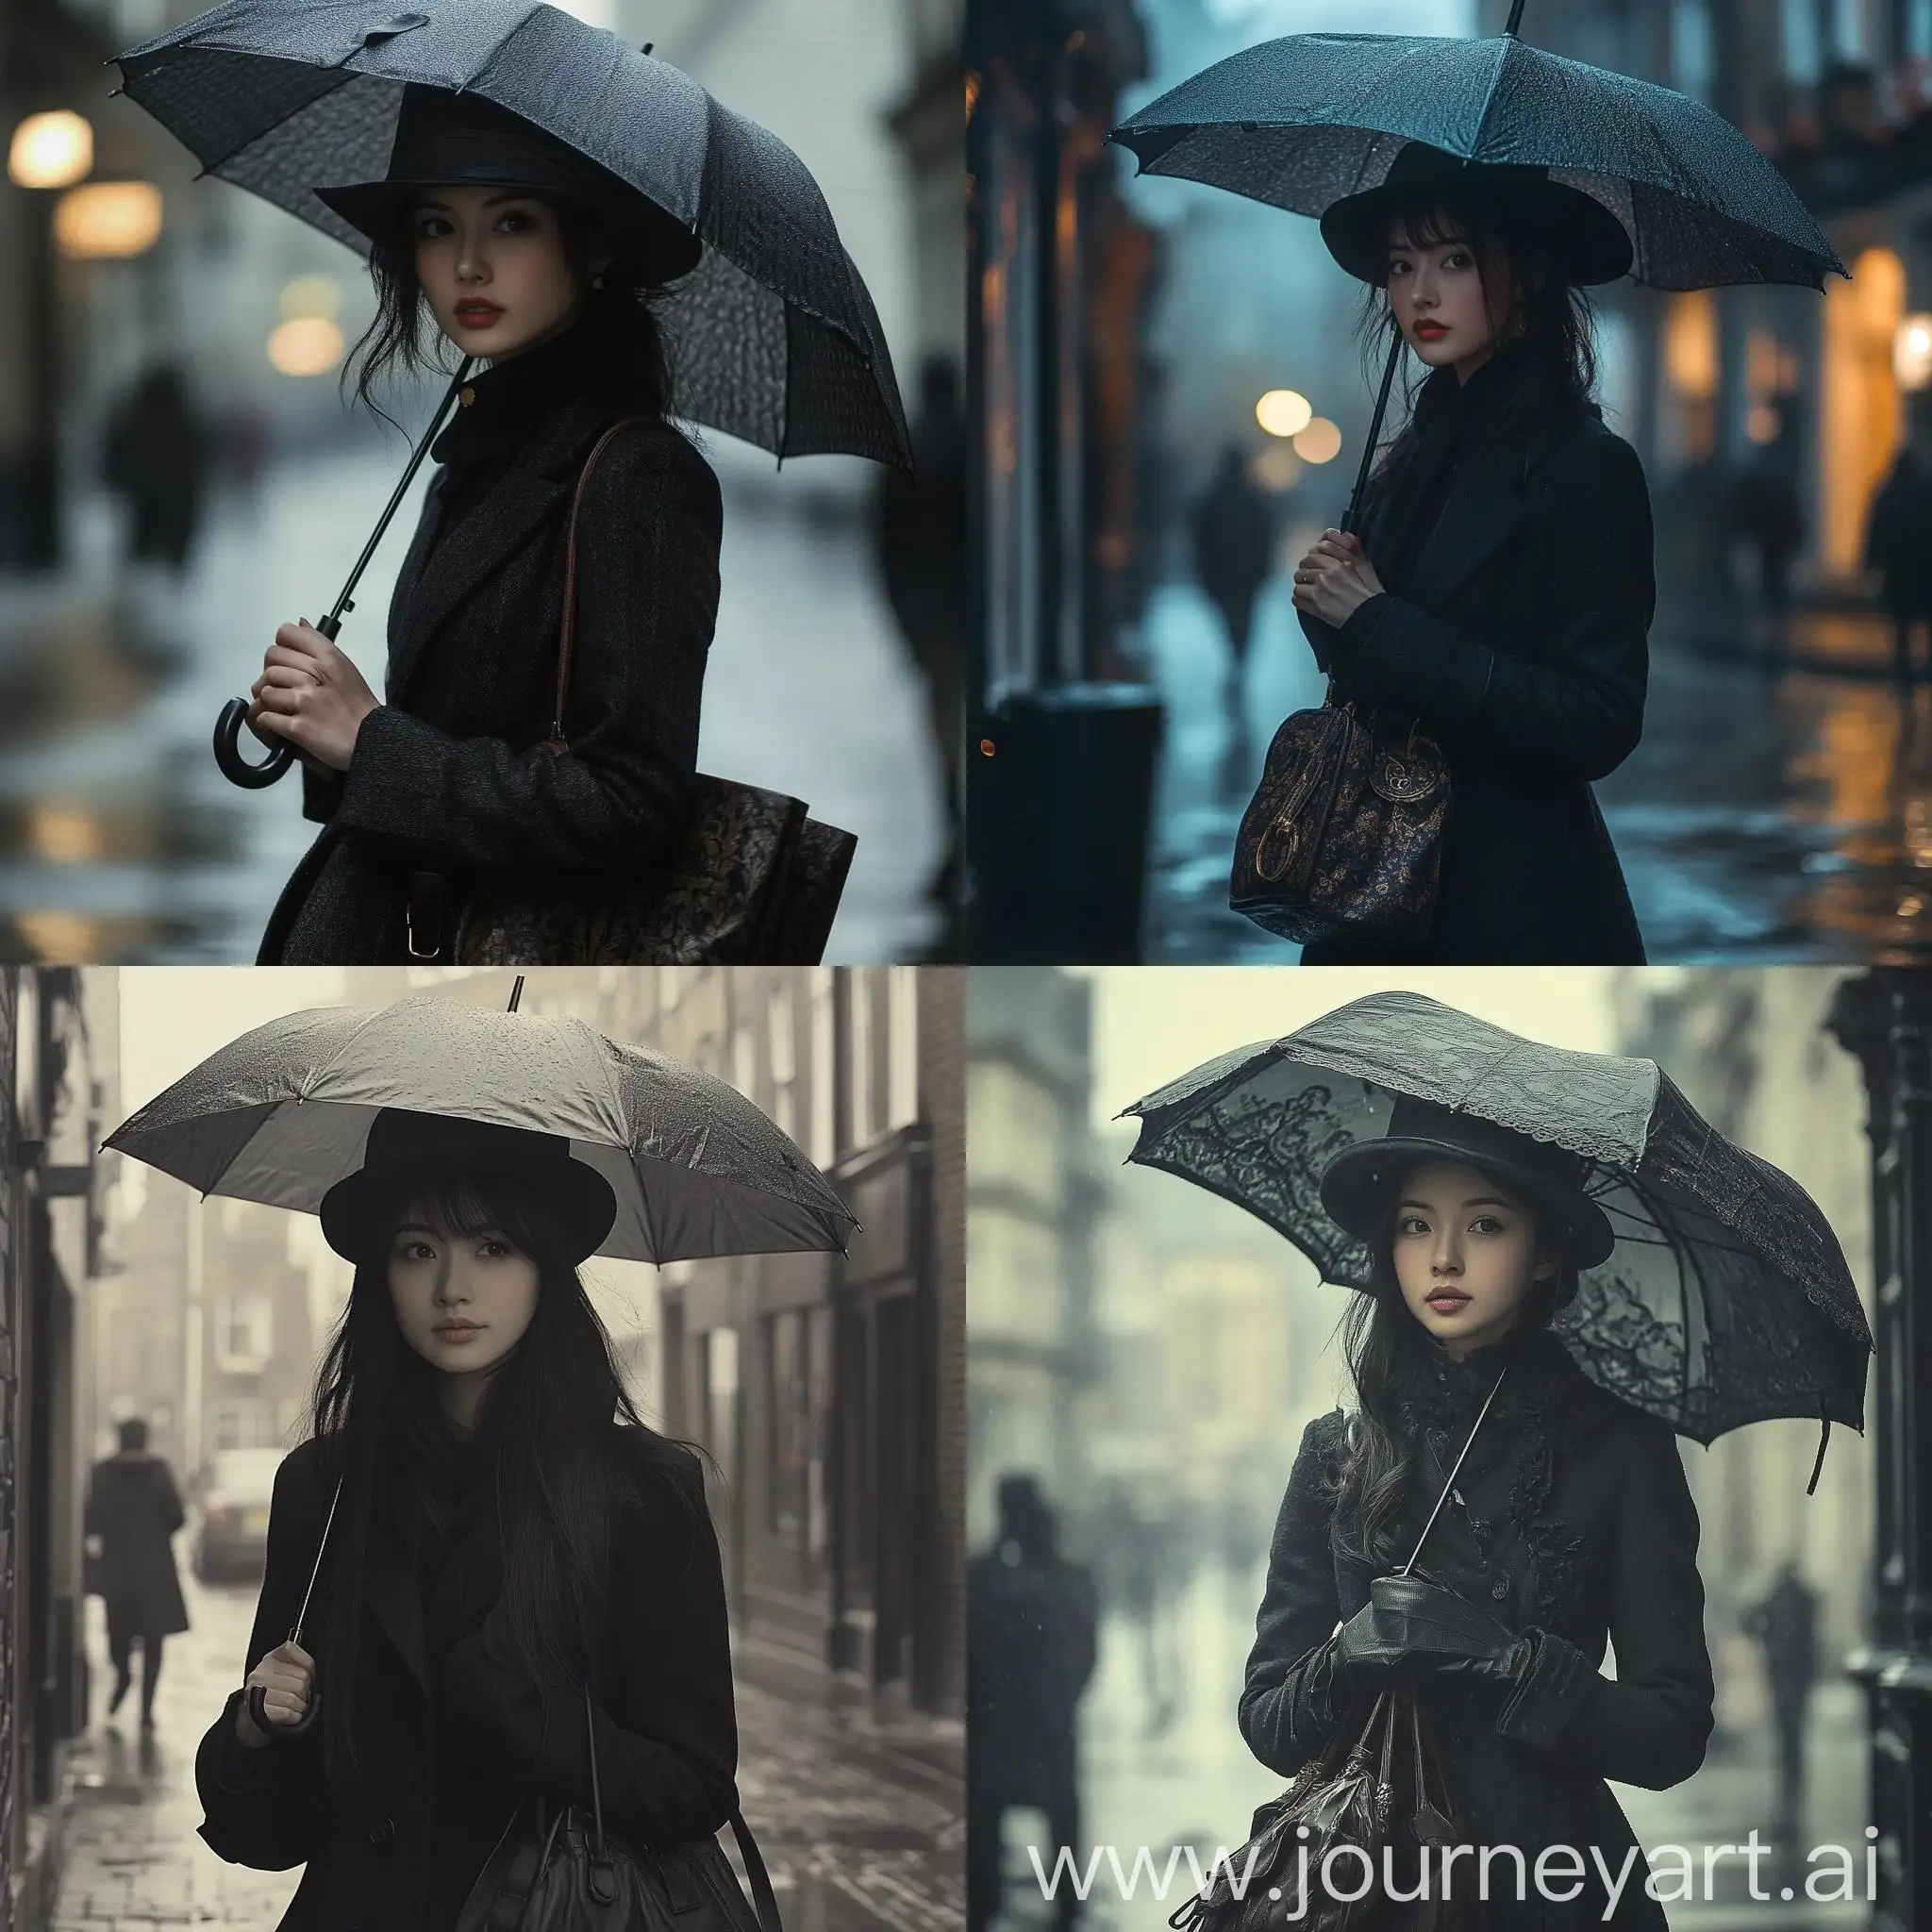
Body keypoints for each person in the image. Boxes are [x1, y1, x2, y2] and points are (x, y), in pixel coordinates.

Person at [193, 1110, 737, 1932]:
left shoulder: (641, 1491)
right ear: (382, 1274)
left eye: (493, 1247)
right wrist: (256, 1732)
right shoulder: (325, 1487)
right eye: (419, 1250)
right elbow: (267, 1836)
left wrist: (530, 1716)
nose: (453, 1286)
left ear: (545, 1268)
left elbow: (695, 1791)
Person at [248, 85, 718, 965]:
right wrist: (323, 729)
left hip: (487, 977)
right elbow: (452, 729)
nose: (466, 264)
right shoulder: (476, 452)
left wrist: (372, 741)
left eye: (511, 225)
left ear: (593, 245)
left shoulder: (635, 475)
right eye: (437, 226)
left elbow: (634, 805)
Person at [1241, 1096, 1714, 1929]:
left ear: (1542, 1254)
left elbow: (1672, 1733)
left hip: (1555, 1890)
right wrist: (1353, 1649)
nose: (1445, 1259)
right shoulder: (1342, 1451)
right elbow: (1270, 1724)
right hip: (1371, 1895)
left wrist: (1505, 1660)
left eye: (1487, 1225)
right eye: (1416, 1226)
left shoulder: (1618, 1450)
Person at [1289, 143, 1650, 963]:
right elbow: (1372, 659)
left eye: (1454, 259)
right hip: (1373, 880)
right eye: (1401, 264)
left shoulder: (1584, 468)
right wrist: (1329, 601)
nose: (1420, 292)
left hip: (1508, 899)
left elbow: (1600, 718)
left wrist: (1376, 619)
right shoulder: (1411, 456)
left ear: (1524, 275)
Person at [967, 1474, 1099, 1932]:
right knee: (1061, 1819)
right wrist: (1060, 1698)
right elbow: (1086, 1651)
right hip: (1046, 1723)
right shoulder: (1068, 1580)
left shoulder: (982, 1579)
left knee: (988, 1823)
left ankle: (986, 1905)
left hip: (998, 1725)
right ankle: (1066, 1908)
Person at [875, 357, 967, 922]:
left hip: (929, 619)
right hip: (966, 612)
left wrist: (903, 619)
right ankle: (963, 831)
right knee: (969, 726)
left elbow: (886, 548)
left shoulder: (905, 454)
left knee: (943, 727)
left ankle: (952, 824)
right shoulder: (972, 452)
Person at [84, 1417, 190, 1731]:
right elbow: (178, 1516)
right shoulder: (159, 1472)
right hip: (155, 1569)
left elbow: (91, 1518)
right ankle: (146, 1710)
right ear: (145, 1439)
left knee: (118, 1634)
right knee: (154, 1643)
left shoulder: (102, 1473)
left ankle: (123, 1677)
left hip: (118, 1569)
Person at [101, 363, 213, 577]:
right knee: (171, 557)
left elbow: (118, 458)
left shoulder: (135, 420)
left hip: (148, 500)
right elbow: (199, 459)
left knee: (144, 553)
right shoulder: (184, 420)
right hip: (175, 501)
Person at [1191, 446, 1276, 724]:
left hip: (1228, 575)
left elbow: (1200, 539)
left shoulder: (1216, 499)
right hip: (1242, 575)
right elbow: (1264, 538)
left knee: (1232, 620)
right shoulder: (1251, 500)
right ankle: (1237, 659)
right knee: (1241, 621)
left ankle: (1236, 660)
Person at [1742, 1559, 1820, 1851]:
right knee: (1793, 1739)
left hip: (1785, 1676)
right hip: (1795, 1677)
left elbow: (1749, 1622)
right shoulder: (1804, 1599)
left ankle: (1789, 1802)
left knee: (1789, 1739)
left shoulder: (1779, 1599)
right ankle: (1791, 1800)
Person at [1865, 428, 1932, 684]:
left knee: (1901, 632)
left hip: (1899, 575)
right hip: (1924, 574)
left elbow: (1875, 533)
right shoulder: (1925, 493)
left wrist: (1870, 565)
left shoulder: (1888, 493)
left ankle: (1904, 679)